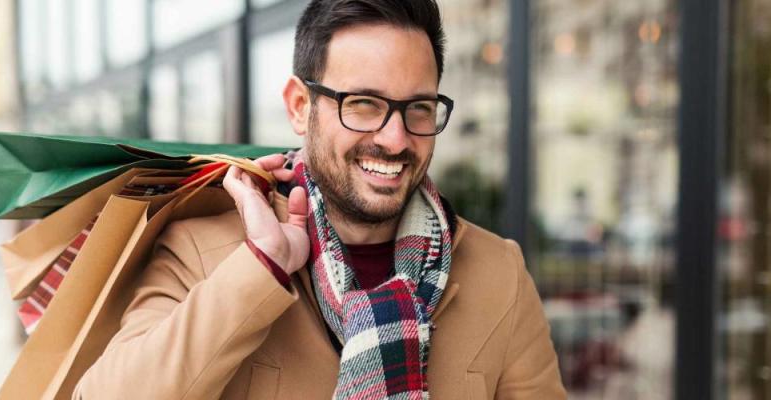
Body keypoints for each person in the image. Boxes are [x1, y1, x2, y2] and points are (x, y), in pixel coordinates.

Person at [74, 0, 565, 398]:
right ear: (299, 106)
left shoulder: (499, 273)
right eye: (364, 104)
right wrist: (259, 269)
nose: (395, 140)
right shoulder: (202, 252)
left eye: (417, 108)